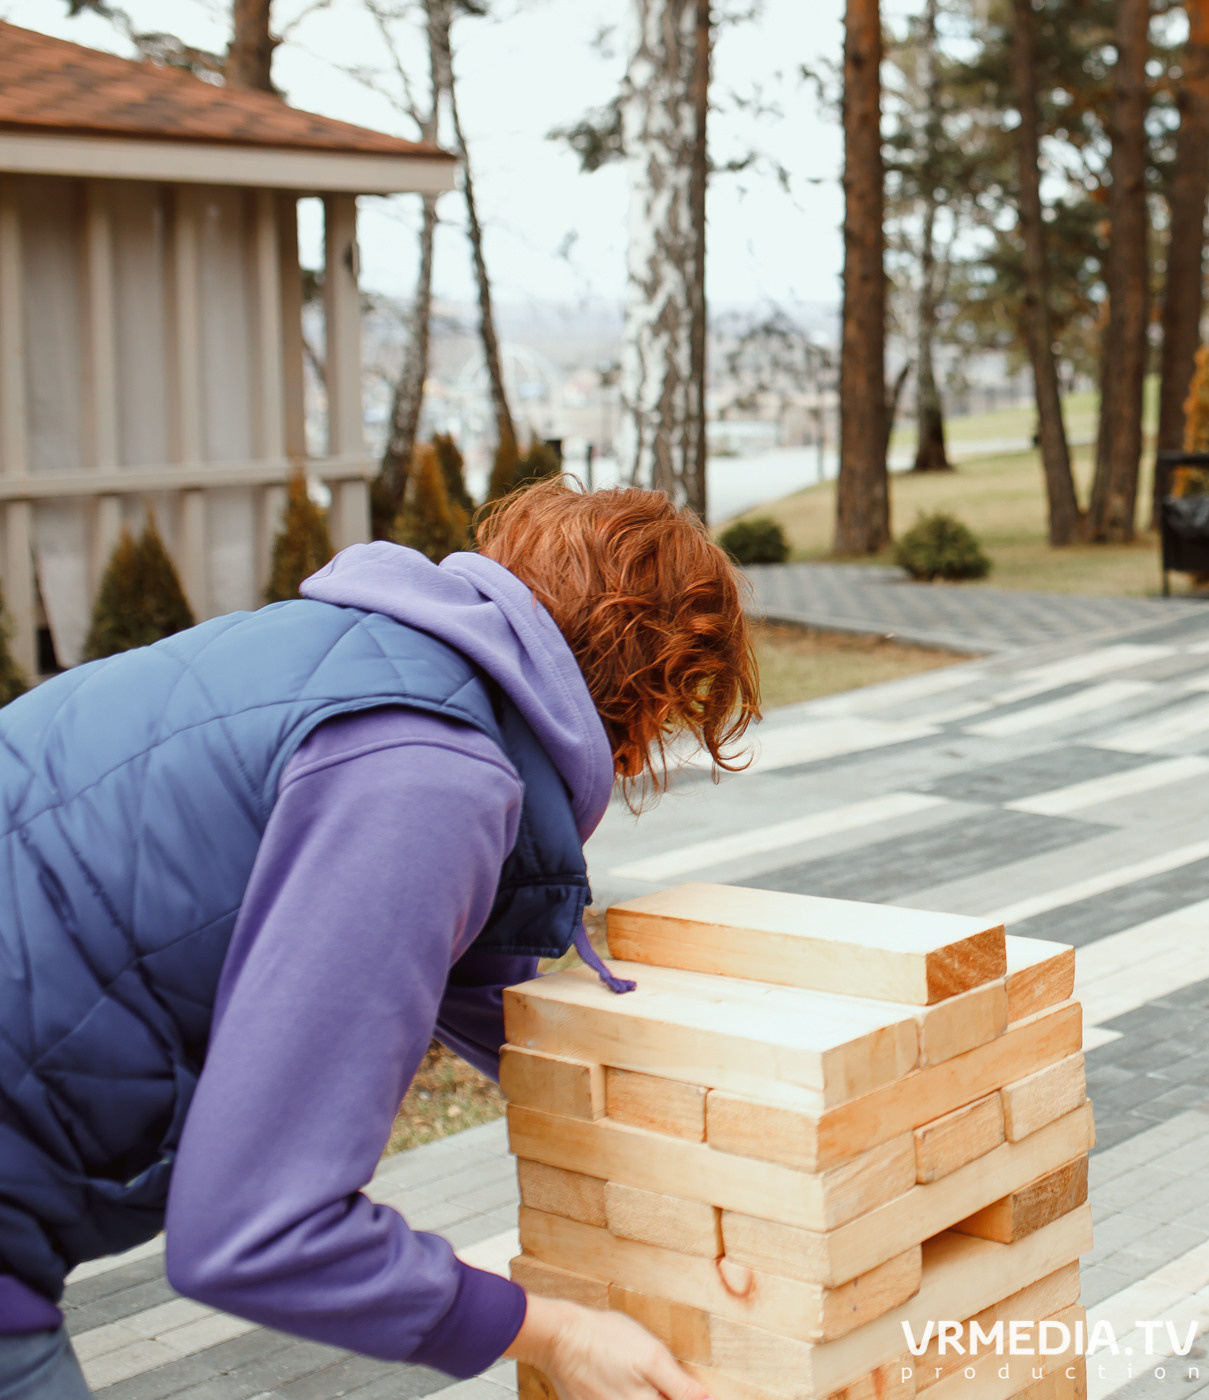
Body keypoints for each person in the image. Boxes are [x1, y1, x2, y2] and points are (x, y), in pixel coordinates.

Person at [0, 481, 757, 1400]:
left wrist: (722, 1150)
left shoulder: (355, 654)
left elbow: (487, 994)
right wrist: (552, 1334)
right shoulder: (428, 774)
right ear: (640, 706)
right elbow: (257, 1231)